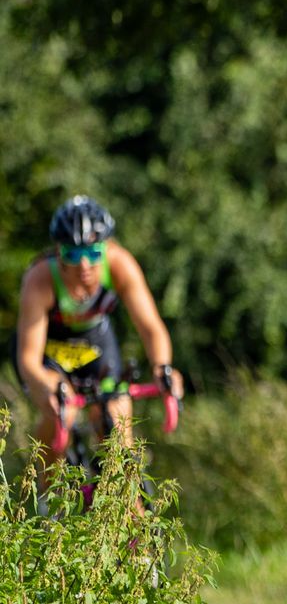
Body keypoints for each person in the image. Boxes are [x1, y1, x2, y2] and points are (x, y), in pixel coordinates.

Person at [14, 195, 181, 486]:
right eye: (73, 254)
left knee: (117, 426)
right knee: (61, 416)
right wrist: (47, 385)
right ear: (58, 251)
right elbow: (28, 358)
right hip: (49, 351)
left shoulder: (120, 264)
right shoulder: (40, 279)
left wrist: (162, 368)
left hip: (95, 346)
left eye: (93, 253)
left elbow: (151, 327)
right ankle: (47, 500)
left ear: (105, 248)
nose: (84, 266)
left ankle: (127, 511)